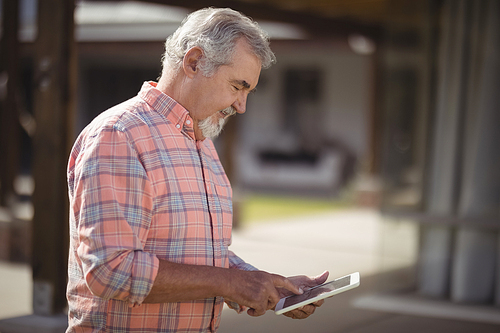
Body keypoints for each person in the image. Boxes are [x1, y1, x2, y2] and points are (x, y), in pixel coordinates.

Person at [66, 7, 328, 332]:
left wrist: (267, 287)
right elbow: (110, 269)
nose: (241, 106)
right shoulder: (119, 136)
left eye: (249, 92)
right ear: (193, 63)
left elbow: (204, 256)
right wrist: (229, 283)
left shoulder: (202, 141)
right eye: (237, 86)